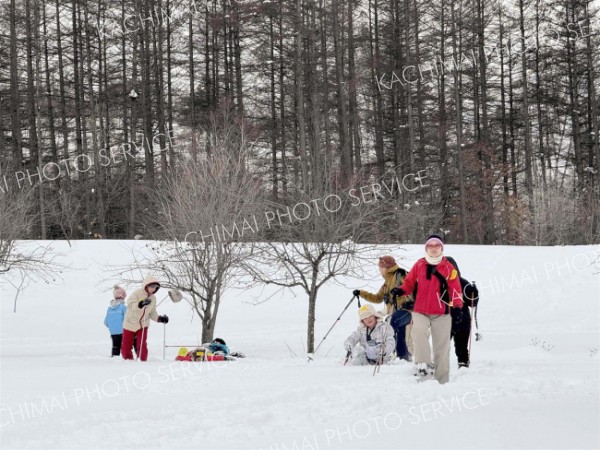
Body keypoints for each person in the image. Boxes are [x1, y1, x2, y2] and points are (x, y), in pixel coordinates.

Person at [391, 235, 463, 383]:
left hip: (442, 313)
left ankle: (442, 380)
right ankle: (423, 367)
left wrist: (457, 308)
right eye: (431, 245)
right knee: (418, 334)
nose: (434, 248)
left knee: (441, 347)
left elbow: (456, 290)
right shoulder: (419, 265)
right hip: (421, 311)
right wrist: (401, 290)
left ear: (441, 248)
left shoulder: (449, 268)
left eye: (437, 245)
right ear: (426, 248)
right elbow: (409, 283)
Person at [353, 256, 413, 361]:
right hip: (396, 312)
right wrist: (361, 293)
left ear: (386, 267)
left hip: (407, 310)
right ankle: (403, 357)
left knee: (392, 321)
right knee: (396, 327)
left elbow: (412, 286)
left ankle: (394, 354)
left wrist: (411, 301)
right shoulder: (387, 283)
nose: (379, 269)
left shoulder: (400, 275)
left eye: (380, 266)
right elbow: (377, 298)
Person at [121, 276, 169, 361]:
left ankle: (143, 362)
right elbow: (130, 304)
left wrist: (159, 318)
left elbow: (152, 312)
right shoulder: (137, 293)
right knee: (126, 347)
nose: (153, 289)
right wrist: (141, 303)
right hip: (130, 323)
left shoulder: (153, 298)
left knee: (142, 345)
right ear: (146, 285)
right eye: (152, 286)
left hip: (143, 324)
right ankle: (128, 362)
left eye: (155, 287)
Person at [444, 256, 479, 368]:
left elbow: (472, 303)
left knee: (461, 348)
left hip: (462, 320)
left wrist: (474, 293)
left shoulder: (463, 283)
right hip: (443, 321)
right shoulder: (437, 284)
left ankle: (463, 366)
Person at [103, 285, 127, 357]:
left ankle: (114, 356)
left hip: (113, 331)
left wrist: (112, 327)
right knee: (124, 345)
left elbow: (105, 321)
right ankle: (124, 358)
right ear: (123, 296)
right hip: (122, 330)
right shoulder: (123, 307)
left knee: (115, 345)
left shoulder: (109, 308)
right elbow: (128, 319)